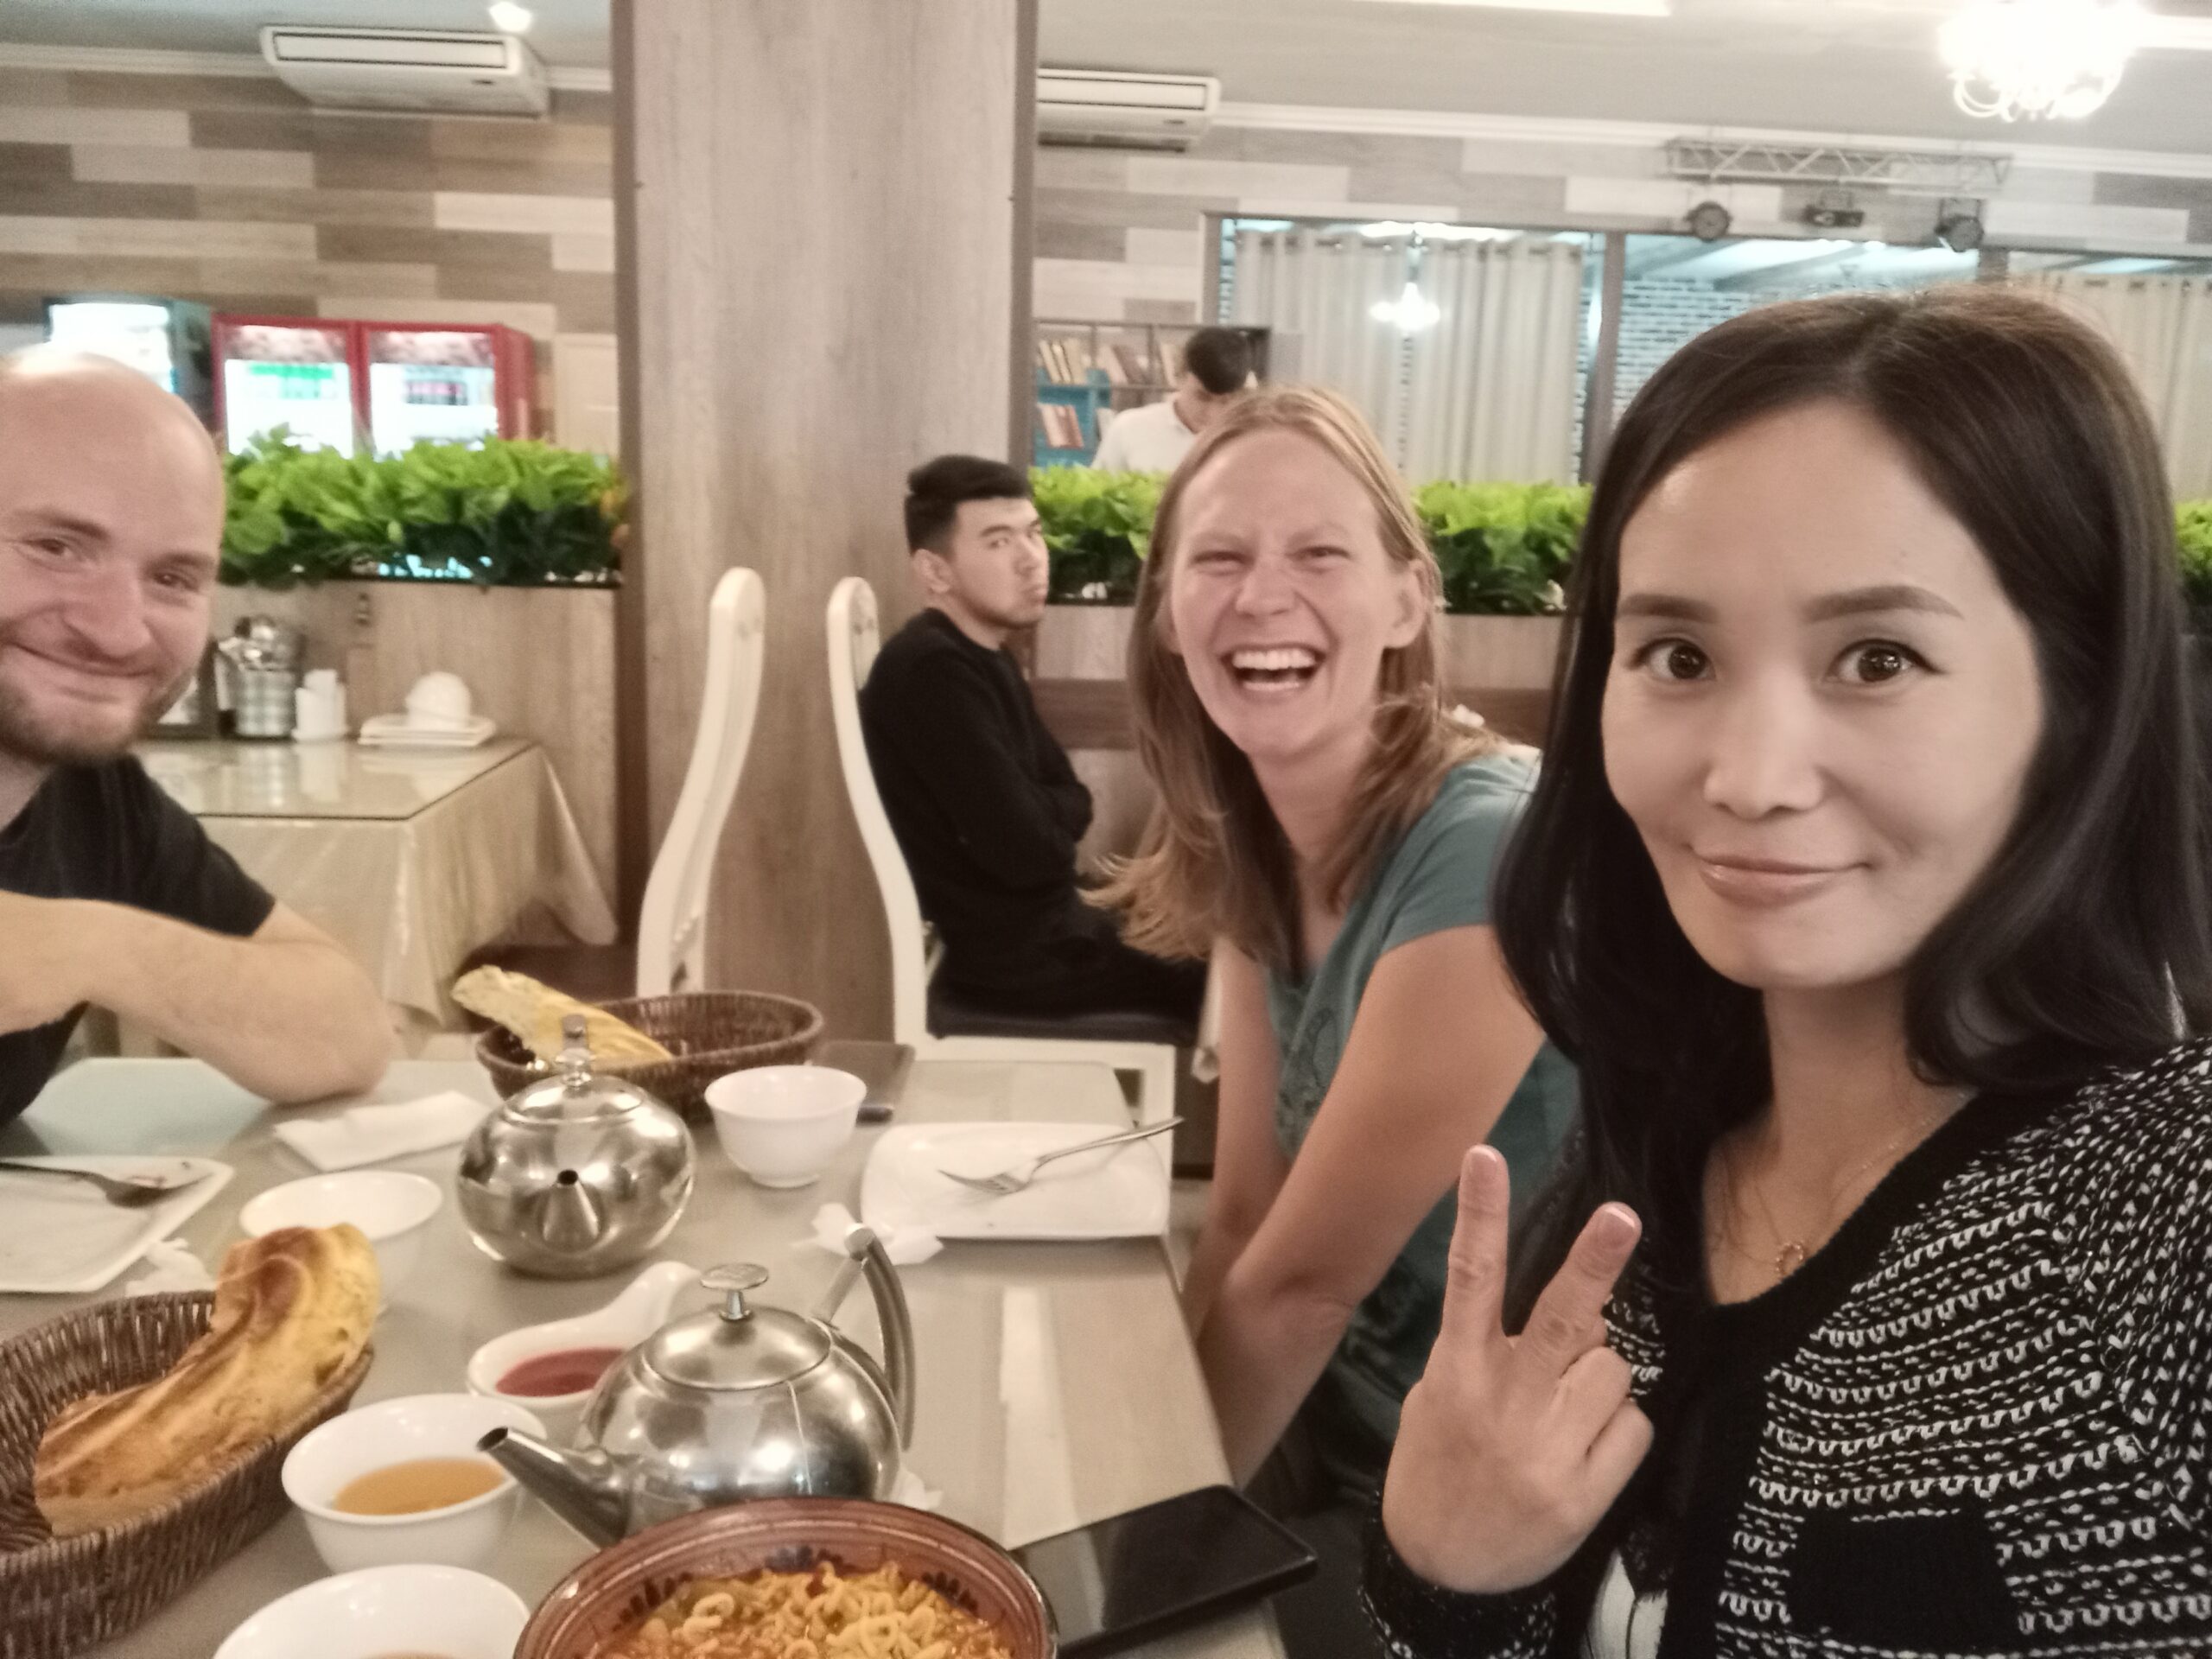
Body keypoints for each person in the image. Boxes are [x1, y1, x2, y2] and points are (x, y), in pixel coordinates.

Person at [1367, 286, 2212, 1658]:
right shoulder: (1644, 1169)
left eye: (1878, 658)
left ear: (2078, 694)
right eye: (1679, 655)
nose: (1752, 779)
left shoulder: (2162, 1210)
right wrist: (1446, 1573)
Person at [1095, 386, 1576, 1657]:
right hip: (1347, 1431)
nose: (1264, 597)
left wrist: (1112, 1577)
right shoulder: (1250, 839)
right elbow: (1242, 1221)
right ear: (1167, 612)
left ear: (1408, 600)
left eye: (1318, 553)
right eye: (1219, 558)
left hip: (1506, 1515)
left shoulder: (1489, 844)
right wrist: (1146, 1475)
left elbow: (1303, 1291)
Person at [0, 350, 391, 1123]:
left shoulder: (94, 797)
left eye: (173, 578)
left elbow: (350, 1035)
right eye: (55, 547)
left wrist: (91, 946)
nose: (117, 631)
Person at [861, 454, 1204, 1026]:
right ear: (935, 571)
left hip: (1051, 930)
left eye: (1034, 533)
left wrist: (1048, 814)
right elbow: (1032, 853)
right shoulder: (932, 674)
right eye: (999, 542)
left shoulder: (985, 656)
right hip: (1021, 962)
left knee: (1219, 928)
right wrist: (1050, 816)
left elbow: (1071, 798)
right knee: (1235, 964)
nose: (1031, 558)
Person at [1091, 326, 1252, 474]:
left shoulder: (1247, 442)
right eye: (1202, 397)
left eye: (1225, 402)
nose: (1211, 413)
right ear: (1179, 375)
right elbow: (1097, 490)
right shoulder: (1129, 428)